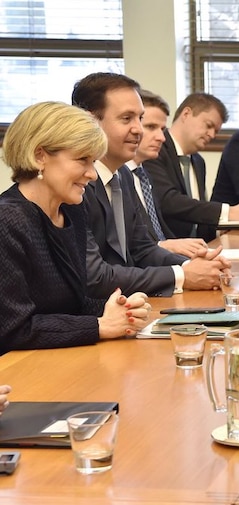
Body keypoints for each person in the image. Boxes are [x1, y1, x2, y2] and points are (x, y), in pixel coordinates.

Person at [0, 101, 151, 355]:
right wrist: (100, 325)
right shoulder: (7, 221)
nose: (92, 174)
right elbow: (14, 329)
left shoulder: (71, 210)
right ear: (40, 156)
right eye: (83, 160)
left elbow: (72, 304)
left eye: (93, 161)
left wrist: (118, 309)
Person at [71, 72, 230, 297]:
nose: (138, 129)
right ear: (90, 121)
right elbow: (95, 276)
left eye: (140, 118)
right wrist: (182, 276)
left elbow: (143, 249)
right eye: (127, 119)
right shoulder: (75, 184)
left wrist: (191, 265)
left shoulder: (124, 175)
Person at [144, 92, 239, 242]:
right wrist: (228, 212)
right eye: (208, 125)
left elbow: (196, 217)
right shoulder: (154, 151)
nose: (212, 135)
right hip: (169, 251)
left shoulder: (198, 161)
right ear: (186, 114)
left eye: (216, 131)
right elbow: (168, 202)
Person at [126, 90, 209, 257]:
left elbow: (158, 236)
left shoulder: (142, 175)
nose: (161, 137)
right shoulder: (118, 178)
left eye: (162, 129)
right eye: (150, 127)